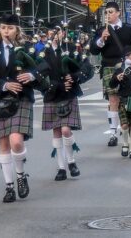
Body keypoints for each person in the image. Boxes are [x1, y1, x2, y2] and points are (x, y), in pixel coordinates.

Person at [0, 13, 48, 203]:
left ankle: (20, 175)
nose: (6, 31)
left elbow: (44, 65)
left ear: (17, 29)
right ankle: (9, 186)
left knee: (16, 141)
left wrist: (31, 75)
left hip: (21, 98)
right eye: (3, 28)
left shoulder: (27, 47)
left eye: (10, 28)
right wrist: (5, 85)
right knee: (3, 143)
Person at [90, 2, 131, 148]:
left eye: (111, 12)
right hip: (109, 67)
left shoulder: (129, 29)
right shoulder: (101, 30)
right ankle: (113, 133)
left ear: (118, 13)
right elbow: (94, 51)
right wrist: (101, 40)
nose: (108, 15)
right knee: (113, 100)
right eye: (106, 13)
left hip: (127, 67)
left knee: (130, 98)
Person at [40, 27, 88, 181]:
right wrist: (57, 85)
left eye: (58, 32)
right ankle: (61, 167)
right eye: (52, 32)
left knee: (66, 130)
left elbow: (86, 67)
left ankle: (71, 161)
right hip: (52, 93)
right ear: (47, 34)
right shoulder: (43, 52)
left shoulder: (71, 48)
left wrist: (74, 77)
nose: (55, 35)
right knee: (56, 132)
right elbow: (39, 76)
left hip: (69, 94)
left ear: (64, 33)